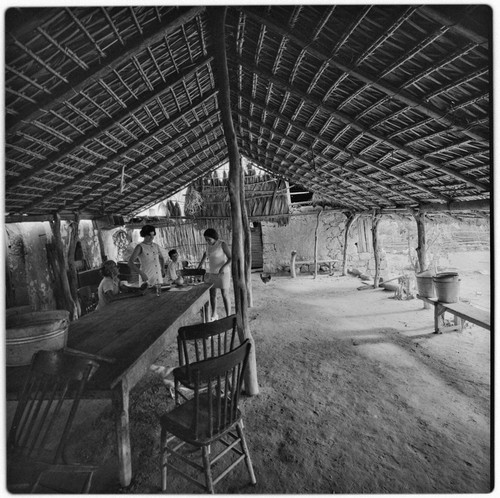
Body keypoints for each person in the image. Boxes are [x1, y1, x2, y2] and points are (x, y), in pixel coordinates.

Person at [197, 228, 231, 321]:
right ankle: (214, 314)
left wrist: (223, 267)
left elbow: (231, 258)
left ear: (214, 238)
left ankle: (228, 316)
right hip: (212, 272)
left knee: (225, 294)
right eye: (206, 239)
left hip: (223, 273)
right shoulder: (209, 246)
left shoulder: (222, 244)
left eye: (209, 239)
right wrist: (200, 265)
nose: (207, 241)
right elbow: (205, 254)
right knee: (212, 295)